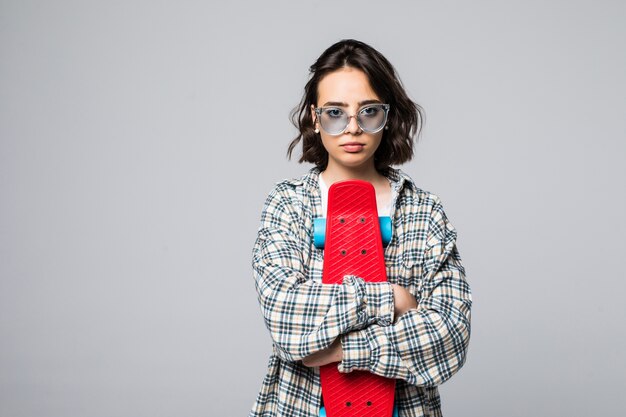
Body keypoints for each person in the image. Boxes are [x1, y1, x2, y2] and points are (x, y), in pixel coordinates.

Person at [250, 39, 472, 417]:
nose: (353, 128)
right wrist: (392, 300)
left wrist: (342, 350)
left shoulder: (424, 211)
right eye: (335, 113)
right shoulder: (288, 204)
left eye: (368, 112)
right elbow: (285, 314)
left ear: (388, 116)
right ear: (315, 118)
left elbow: (450, 335)